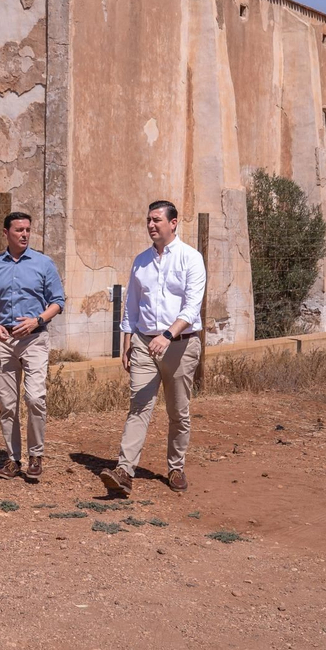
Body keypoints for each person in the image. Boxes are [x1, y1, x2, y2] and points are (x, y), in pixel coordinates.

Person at [100, 200, 206, 496]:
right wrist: (126, 343)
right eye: (148, 219)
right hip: (144, 344)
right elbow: (131, 306)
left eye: (156, 220)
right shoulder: (140, 261)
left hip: (180, 346)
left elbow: (192, 306)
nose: (151, 225)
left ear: (173, 223)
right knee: (139, 407)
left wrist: (168, 336)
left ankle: (176, 467)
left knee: (178, 411)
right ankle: (124, 471)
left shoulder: (191, 258)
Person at [0, 210, 65, 480]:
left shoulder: (43, 263)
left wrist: (37, 320)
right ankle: (13, 459)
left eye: (27, 229)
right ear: (6, 233)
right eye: (19, 230)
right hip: (4, 341)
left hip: (35, 338)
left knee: (35, 398)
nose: (24, 234)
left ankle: (36, 455)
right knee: (8, 404)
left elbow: (58, 302)